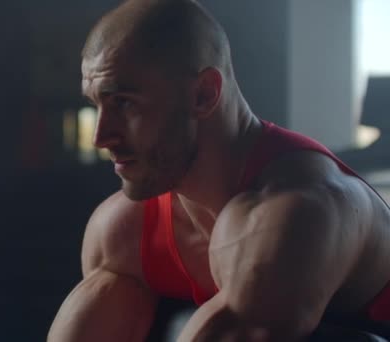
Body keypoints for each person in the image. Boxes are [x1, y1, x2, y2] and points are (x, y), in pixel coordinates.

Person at [47, 0, 390, 341]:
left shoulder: (298, 213)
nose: (101, 137)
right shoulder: (122, 231)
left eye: (124, 102)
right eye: (97, 104)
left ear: (204, 94)